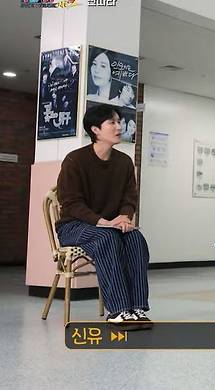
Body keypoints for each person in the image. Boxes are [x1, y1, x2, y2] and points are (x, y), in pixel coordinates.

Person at [55, 104, 152, 329]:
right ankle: (118, 310)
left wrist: (124, 217)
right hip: (73, 226)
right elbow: (71, 203)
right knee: (106, 238)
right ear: (95, 129)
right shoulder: (75, 160)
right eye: (112, 122)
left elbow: (130, 197)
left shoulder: (124, 162)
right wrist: (103, 222)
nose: (119, 127)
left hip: (109, 226)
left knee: (136, 239)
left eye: (119, 122)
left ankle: (137, 308)